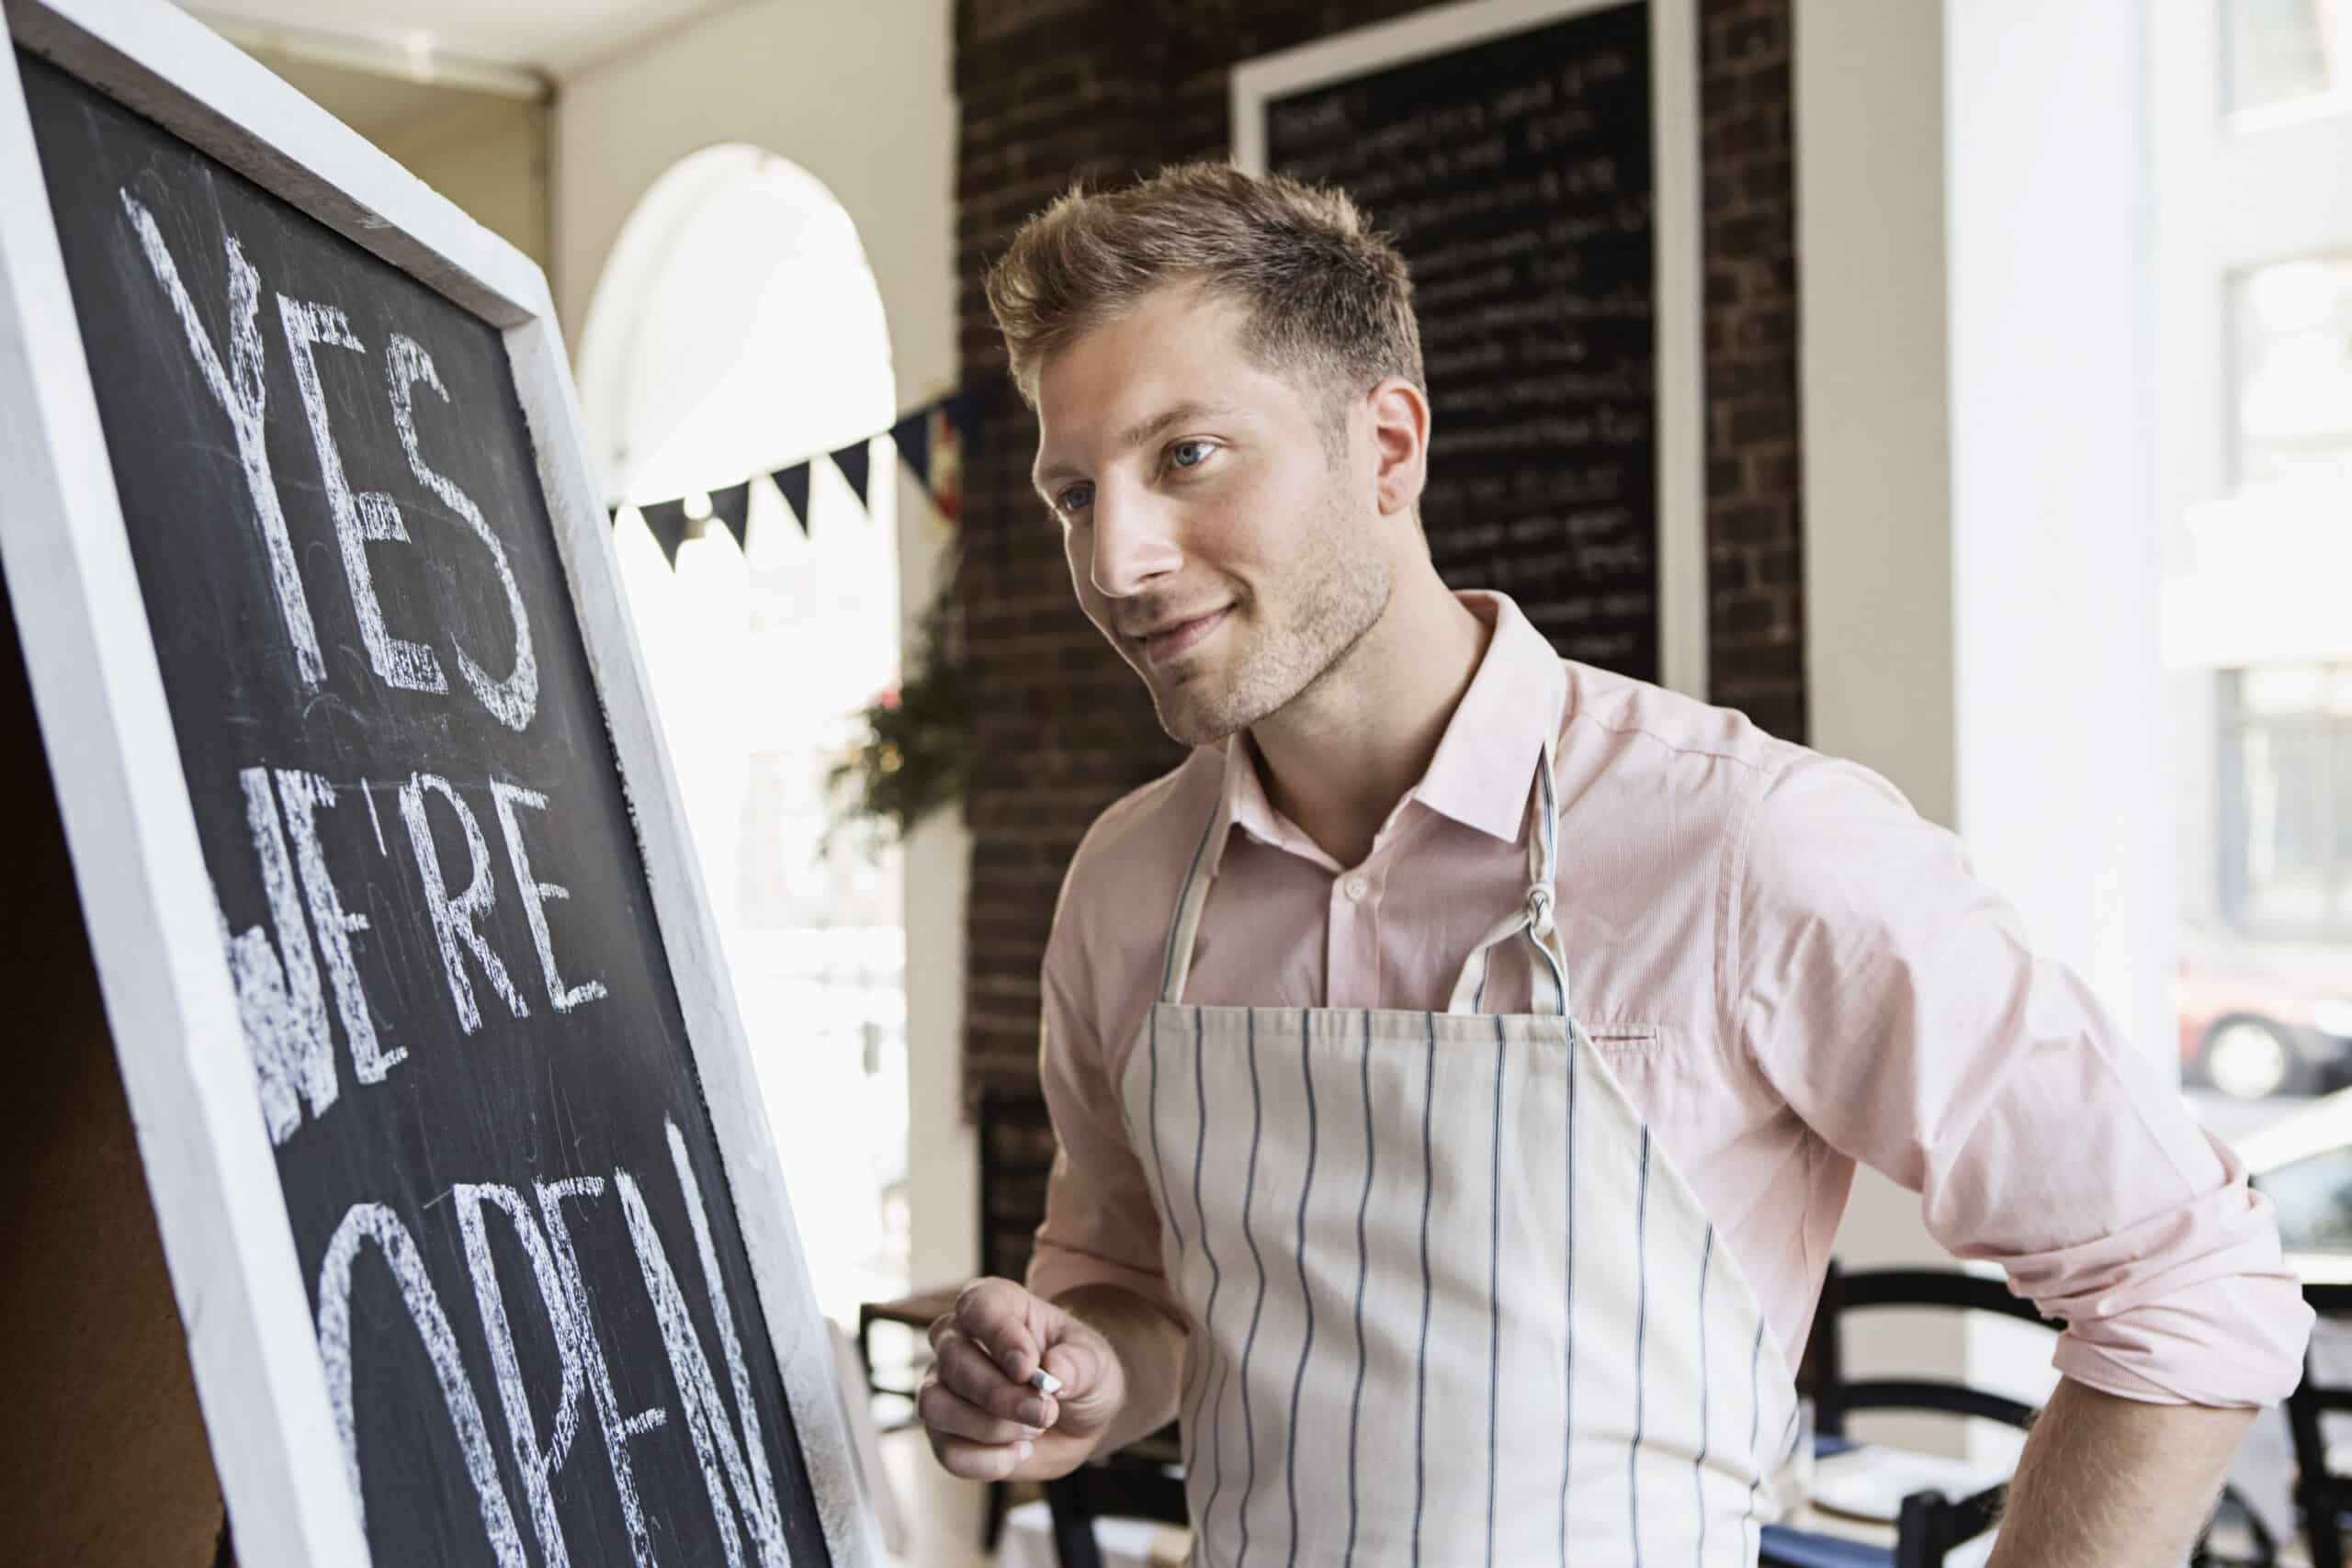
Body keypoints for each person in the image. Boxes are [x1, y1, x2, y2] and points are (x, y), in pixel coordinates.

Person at [918, 163, 2313, 1564]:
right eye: (1071, 495)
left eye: (1186, 457)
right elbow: (1129, 1281)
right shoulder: (1125, 886)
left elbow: (2188, 1279)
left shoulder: (1749, 840)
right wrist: (1080, 1370)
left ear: (1388, 447)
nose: (1117, 557)